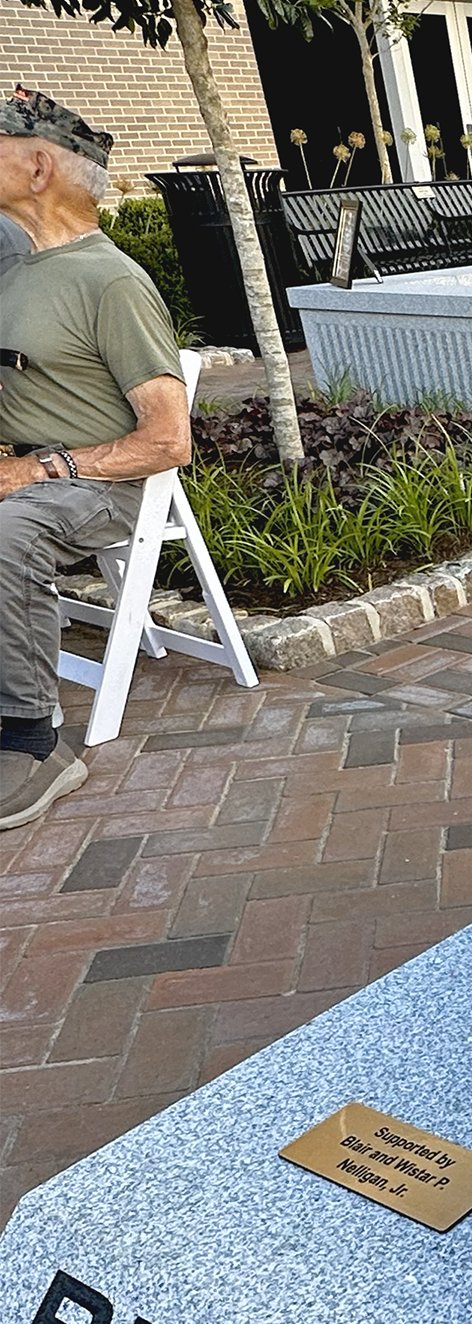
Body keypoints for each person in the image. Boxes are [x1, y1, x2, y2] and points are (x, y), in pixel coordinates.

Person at [0, 90, 189, 832]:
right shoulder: (16, 268)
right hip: (27, 473)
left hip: (101, 486)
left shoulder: (110, 281)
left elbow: (169, 439)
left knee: (8, 536)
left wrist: (32, 472)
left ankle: (33, 744)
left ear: (38, 165)